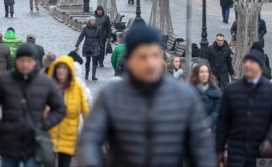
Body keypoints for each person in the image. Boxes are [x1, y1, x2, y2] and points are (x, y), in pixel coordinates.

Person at [79, 25, 216, 167]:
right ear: (130, 59)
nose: (150, 63)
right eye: (143, 57)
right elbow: (90, 140)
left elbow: (202, 148)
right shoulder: (111, 96)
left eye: (155, 55)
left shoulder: (184, 96)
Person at [0, 43, 67, 167]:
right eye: (22, 60)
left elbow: (60, 108)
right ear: (16, 61)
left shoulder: (45, 82)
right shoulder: (4, 80)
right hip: (9, 142)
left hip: (34, 141)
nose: (25, 64)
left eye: (28, 61)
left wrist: (45, 125)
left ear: (35, 62)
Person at [216, 47, 272, 167]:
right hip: (238, 154)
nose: (247, 65)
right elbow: (223, 122)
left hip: (264, 153)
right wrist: (219, 149)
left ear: (260, 66)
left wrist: (270, 140)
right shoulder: (231, 90)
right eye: (245, 62)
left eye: (252, 62)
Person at [47, 55, 90, 167]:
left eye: (64, 68)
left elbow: (85, 110)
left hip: (68, 136)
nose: (61, 71)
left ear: (70, 71)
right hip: (49, 135)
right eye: (59, 68)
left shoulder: (77, 88)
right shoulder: (48, 86)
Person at [190, 61, 222, 135]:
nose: (204, 74)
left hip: (211, 129)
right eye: (201, 72)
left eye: (206, 72)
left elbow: (217, 111)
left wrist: (207, 122)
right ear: (196, 74)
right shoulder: (189, 91)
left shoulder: (216, 91)